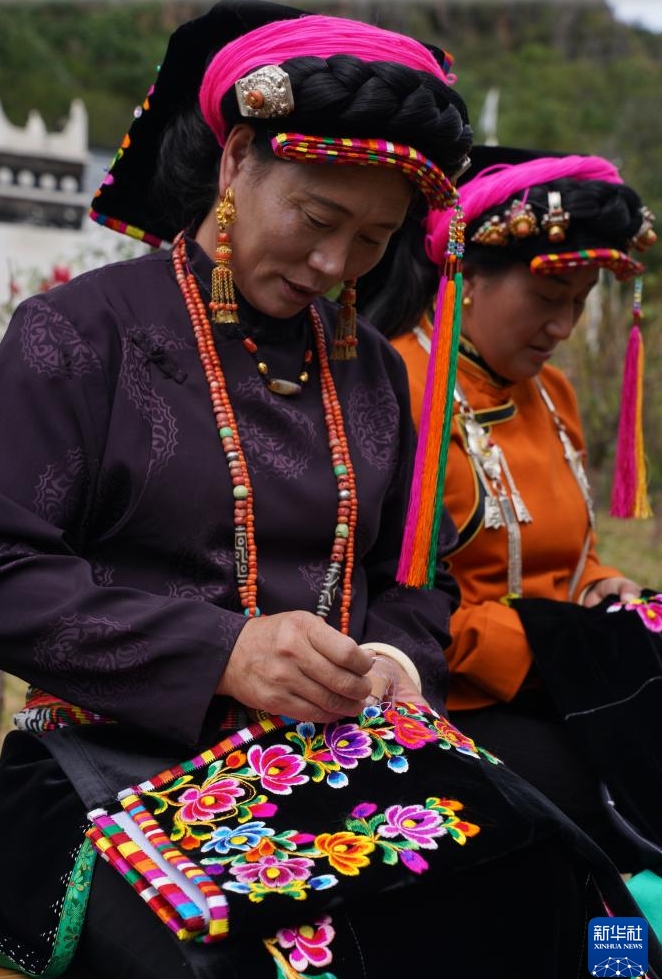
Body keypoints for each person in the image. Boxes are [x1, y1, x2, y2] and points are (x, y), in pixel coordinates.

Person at [0, 8, 657, 978]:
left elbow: (415, 584)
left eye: (371, 241)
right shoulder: (75, 336)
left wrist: (393, 658)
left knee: (561, 895)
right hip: (108, 758)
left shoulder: (374, 376)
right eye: (315, 221)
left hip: (332, 757)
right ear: (234, 167)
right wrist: (222, 651)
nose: (332, 267)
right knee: (294, 961)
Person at [357, 145, 662, 874]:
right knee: (586, 810)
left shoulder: (552, 394)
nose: (562, 325)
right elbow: (381, 597)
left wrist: (601, 588)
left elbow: (570, 550)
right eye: (548, 298)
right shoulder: (391, 385)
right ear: (463, 276)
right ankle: (608, 952)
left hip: (568, 673)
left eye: (579, 303)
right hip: (454, 695)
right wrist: (554, 646)